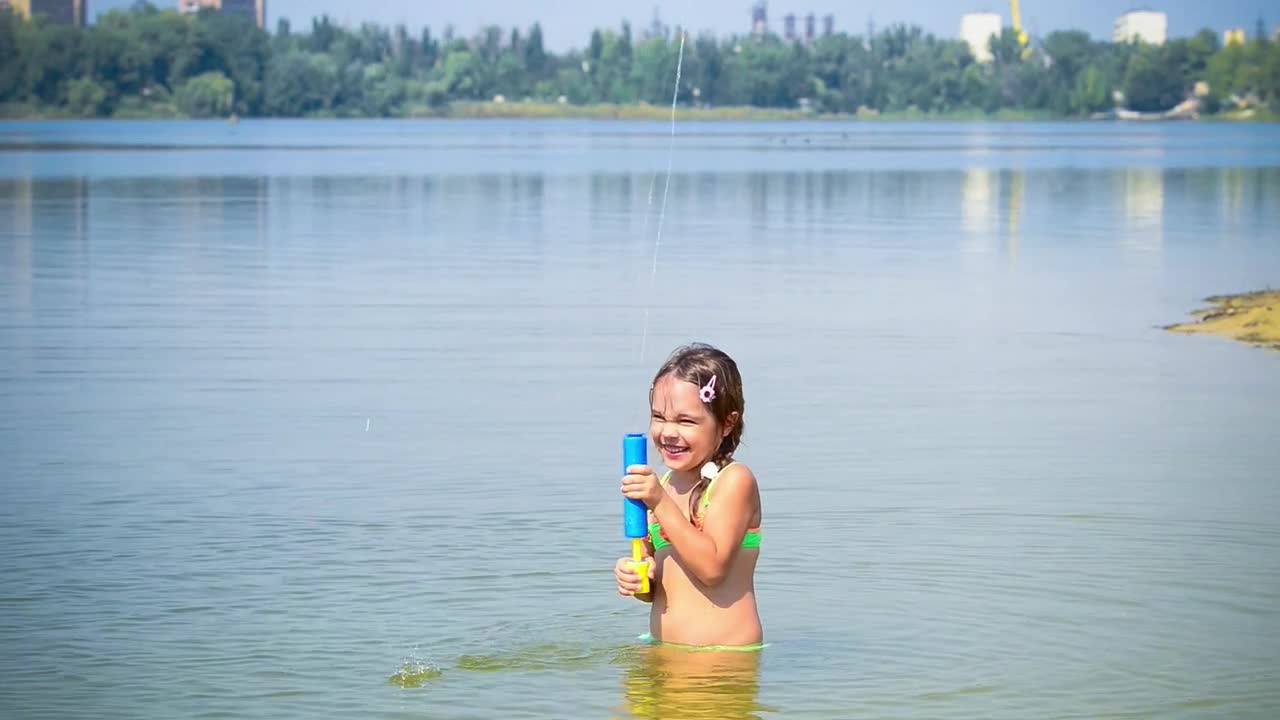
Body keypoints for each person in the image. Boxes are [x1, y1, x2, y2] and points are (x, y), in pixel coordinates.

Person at [615, 342, 764, 650]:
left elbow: (712, 569)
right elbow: (657, 589)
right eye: (659, 417)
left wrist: (658, 502)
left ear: (727, 423)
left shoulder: (733, 481)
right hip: (664, 655)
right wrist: (638, 579)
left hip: (723, 662)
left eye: (686, 421)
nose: (668, 432)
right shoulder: (665, 485)